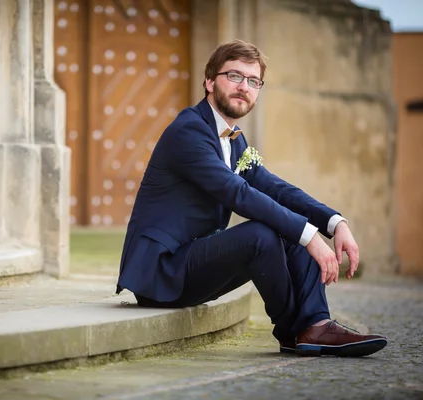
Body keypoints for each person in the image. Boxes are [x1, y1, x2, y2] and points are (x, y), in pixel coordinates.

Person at [115, 39, 387, 357]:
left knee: (286, 228)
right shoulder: (188, 130)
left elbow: (274, 188)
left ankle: (316, 324)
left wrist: (333, 222)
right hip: (161, 273)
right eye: (234, 76)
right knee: (262, 234)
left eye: (253, 81)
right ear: (209, 81)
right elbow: (237, 194)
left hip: (192, 264)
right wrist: (309, 235)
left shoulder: (235, 139)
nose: (244, 86)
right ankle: (293, 329)